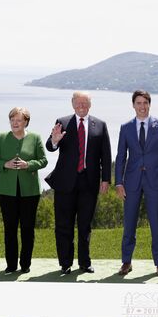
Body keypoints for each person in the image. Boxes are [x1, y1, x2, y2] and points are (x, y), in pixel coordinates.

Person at [115, 90, 158, 277]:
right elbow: (121, 157)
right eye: (138, 103)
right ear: (133, 105)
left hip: (155, 180)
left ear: (149, 104)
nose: (142, 106)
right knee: (129, 224)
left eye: (145, 102)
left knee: (157, 224)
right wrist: (118, 183)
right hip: (131, 182)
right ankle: (126, 262)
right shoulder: (126, 127)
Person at [45, 91, 111, 274]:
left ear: (90, 105)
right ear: (72, 104)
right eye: (78, 103)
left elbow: (105, 155)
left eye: (85, 103)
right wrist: (55, 140)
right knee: (63, 225)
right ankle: (65, 263)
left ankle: (84, 262)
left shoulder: (100, 125)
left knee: (85, 226)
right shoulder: (62, 122)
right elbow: (50, 146)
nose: (81, 106)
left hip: (89, 184)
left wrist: (106, 179)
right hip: (65, 183)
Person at [0, 107, 48, 274]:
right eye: (12, 120)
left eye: (19, 120)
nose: (15, 123)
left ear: (26, 122)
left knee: (28, 229)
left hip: (30, 191)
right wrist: (4, 164)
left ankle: (25, 264)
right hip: (6, 191)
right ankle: (11, 264)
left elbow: (43, 161)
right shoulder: (1, 137)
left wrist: (28, 165)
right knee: (10, 228)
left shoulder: (35, 137)